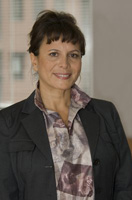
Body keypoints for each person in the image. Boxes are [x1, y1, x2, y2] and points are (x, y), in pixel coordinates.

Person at [0, 10, 132, 200]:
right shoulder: (7, 122)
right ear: (34, 60)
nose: (65, 64)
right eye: (54, 54)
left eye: (73, 55)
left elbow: (125, 184)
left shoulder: (106, 113)